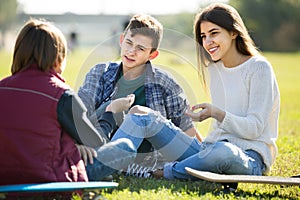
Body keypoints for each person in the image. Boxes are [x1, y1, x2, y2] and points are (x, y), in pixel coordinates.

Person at [110, 3, 280, 180]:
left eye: (214, 33)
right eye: (203, 36)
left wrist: (216, 113)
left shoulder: (259, 68)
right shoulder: (215, 68)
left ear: (233, 32)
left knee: (222, 152)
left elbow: (255, 128)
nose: (207, 42)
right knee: (142, 116)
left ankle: (160, 173)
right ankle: (101, 168)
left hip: (248, 159)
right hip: (208, 150)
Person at [0, 19, 137, 185]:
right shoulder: (62, 95)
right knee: (125, 148)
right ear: (59, 58)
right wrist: (111, 112)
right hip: (51, 178)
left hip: (5, 176)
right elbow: (97, 144)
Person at [78, 13, 202, 174]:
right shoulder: (99, 72)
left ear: (152, 54)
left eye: (140, 48)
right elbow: (81, 113)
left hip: (148, 159)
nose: (131, 52)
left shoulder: (165, 82)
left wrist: (203, 155)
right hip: (103, 148)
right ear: (122, 40)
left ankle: (136, 169)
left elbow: (185, 128)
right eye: (129, 43)